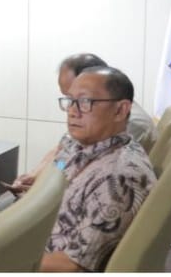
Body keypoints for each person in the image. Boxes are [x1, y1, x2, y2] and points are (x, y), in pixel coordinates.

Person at [40, 67, 156, 271]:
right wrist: (39, 183)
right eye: (70, 100)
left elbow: (73, 266)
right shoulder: (79, 144)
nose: (72, 111)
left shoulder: (118, 179)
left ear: (120, 110)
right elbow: (59, 167)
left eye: (85, 102)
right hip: (38, 225)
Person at [8, 53, 155, 195]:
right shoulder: (91, 118)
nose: (71, 110)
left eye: (82, 99)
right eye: (69, 98)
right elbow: (63, 154)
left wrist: (41, 187)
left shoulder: (128, 126)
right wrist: (36, 176)